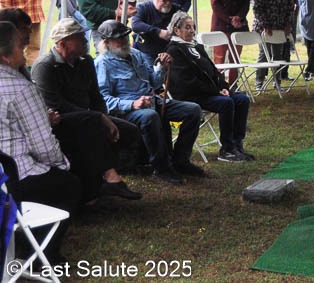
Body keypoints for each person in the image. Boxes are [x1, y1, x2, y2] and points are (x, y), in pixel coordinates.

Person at [31, 18, 142, 201]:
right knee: (94, 128)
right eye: (79, 37)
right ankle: (109, 178)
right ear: (63, 43)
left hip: (89, 119)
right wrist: (98, 117)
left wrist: (104, 116)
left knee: (128, 131)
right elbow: (56, 105)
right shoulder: (45, 66)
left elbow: (96, 96)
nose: (85, 40)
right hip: (61, 121)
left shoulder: (85, 61)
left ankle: (104, 178)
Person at [0, 21, 82, 265]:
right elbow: (43, 145)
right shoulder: (20, 89)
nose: (25, 49)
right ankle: (40, 255)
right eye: (20, 46)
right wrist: (61, 165)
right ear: (5, 55)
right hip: (11, 179)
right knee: (69, 185)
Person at [95, 19, 203, 185]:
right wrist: (133, 104)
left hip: (152, 101)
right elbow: (103, 101)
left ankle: (180, 160)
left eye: (125, 36)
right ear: (106, 42)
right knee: (149, 116)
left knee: (193, 110)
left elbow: (154, 83)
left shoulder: (135, 54)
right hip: (126, 111)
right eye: (119, 38)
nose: (124, 41)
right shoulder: (102, 64)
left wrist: (162, 67)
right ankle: (161, 167)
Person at [165, 12, 253, 162]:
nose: (192, 31)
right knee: (226, 102)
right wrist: (216, 91)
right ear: (176, 30)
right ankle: (227, 150)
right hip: (191, 95)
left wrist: (224, 87)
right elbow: (186, 82)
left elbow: (213, 70)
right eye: (187, 28)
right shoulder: (174, 50)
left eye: (193, 27)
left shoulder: (196, 46)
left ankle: (236, 144)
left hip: (210, 92)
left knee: (242, 99)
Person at [252, 0, 298, 88]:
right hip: (264, 25)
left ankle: (277, 82)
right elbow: (256, 6)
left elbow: (290, 3)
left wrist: (288, 22)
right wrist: (265, 24)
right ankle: (259, 81)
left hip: (280, 24)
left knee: (278, 55)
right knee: (264, 54)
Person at [209, 0, 250, 86]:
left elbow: (246, 1)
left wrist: (239, 17)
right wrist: (229, 19)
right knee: (219, 57)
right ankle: (219, 85)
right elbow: (215, 4)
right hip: (221, 25)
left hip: (238, 25)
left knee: (235, 58)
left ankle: (233, 85)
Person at [131, 0, 181, 67]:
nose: (168, 3)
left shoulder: (176, 9)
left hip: (170, 54)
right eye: (164, 0)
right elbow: (136, 25)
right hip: (147, 53)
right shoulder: (144, 8)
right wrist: (158, 32)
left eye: (170, 0)